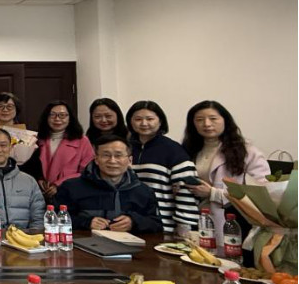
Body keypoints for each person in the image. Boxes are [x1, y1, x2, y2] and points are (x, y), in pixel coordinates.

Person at [182, 101, 269, 246]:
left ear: (225, 121)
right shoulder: (188, 150)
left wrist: (213, 193)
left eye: (213, 118)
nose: (206, 124)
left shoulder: (247, 152)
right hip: (194, 220)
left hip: (232, 223)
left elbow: (261, 194)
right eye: (199, 120)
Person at [55, 135, 162, 233]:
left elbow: (156, 225)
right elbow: (55, 219)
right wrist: (86, 223)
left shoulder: (144, 191)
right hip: (84, 244)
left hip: (129, 245)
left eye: (118, 155)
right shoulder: (71, 187)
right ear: (96, 159)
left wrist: (134, 222)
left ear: (130, 160)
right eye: (106, 155)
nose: (112, 161)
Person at [127, 101, 199, 235]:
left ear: (160, 121)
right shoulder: (125, 149)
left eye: (150, 119)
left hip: (164, 227)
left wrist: (185, 229)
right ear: (130, 122)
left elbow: (186, 194)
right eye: (138, 119)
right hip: (130, 225)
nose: (144, 123)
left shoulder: (174, 150)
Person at [31, 100, 94, 200]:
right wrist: (39, 179)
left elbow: (87, 172)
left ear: (70, 118)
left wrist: (59, 184)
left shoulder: (82, 140)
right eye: (52, 115)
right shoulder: (37, 139)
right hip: (41, 194)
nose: (57, 119)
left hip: (71, 194)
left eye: (62, 115)